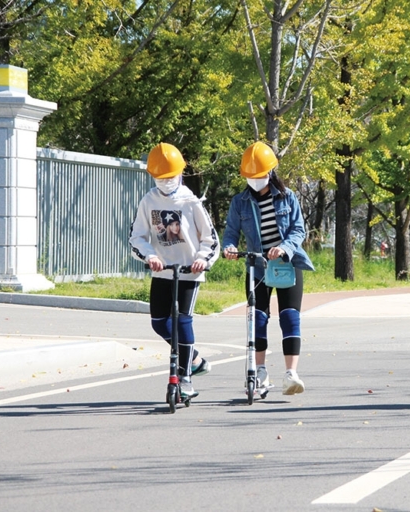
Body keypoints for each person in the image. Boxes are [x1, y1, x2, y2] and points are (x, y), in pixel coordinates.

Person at [222, 141, 315, 395]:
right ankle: (260, 372)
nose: (255, 180)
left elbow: (298, 229)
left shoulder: (288, 197)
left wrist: (284, 247)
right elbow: (230, 232)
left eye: (260, 175)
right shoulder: (239, 202)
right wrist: (228, 247)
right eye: (251, 176)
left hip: (287, 263)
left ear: (271, 172)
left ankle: (291, 374)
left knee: (289, 317)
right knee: (258, 319)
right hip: (258, 267)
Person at [130, 142, 220, 399]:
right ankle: (193, 358)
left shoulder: (191, 202)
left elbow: (210, 240)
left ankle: (185, 377)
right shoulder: (149, 201)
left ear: (181, 172)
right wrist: (150, 256)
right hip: (163, 271)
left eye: (170, 176)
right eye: (161, 177)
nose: (166, 181)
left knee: (183, 320)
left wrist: (203, 259)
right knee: (159, 323)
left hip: (189, 271)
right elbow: (137, 237)